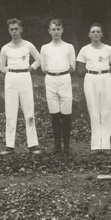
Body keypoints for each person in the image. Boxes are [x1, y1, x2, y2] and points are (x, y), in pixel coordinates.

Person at [0, 18, 42, 155]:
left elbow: (39, 59)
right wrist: (11, 72)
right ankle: (9, 145)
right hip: (11, 78)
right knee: (10, 111)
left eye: (16, 29)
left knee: (29, 110)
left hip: (25, 77)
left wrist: (31, 68)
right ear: (9, 31)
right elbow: (0, 66)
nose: (14, 31)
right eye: (12, 29)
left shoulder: (28, 45)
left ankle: (33, 144)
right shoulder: (5, 48)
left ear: (21, 29)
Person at [76, 23, 111, 156]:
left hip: (105, 77)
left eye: (98, 31)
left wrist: (104, 72)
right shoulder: (84, 49)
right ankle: (95, 144)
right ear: (89, 34)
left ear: (101, 34)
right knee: (93, 110)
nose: (95, 34)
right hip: (90, 78)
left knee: (105, 110)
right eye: (93, 31)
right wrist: (91, 72)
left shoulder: (109, 49)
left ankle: (105, 144)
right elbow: (79, 69)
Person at [40, 19, 76, 154]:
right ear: (49, 31)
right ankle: (56, 146)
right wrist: (53, 74)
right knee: (54, 113)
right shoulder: (45, 48)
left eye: (58, 29)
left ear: (62, 30)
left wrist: (62, 73)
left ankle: (66, 146)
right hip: (50, 79)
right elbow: (43, 67)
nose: (56, 32)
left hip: (65, 79)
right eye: (53, 29)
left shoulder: (69, 47)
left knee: (66, 112)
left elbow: (73, 66)